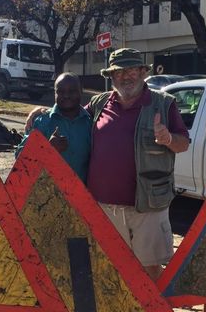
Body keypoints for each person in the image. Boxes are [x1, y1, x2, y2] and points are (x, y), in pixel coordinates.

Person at [87, 48, 189, 280]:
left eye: (132, 69)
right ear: (111, 77)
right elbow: (71, 119)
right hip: (105, 208)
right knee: (110, 271)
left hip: (148, 208)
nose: (126, 76)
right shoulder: (99, 103)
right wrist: (43, 112)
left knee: (150, 272)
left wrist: (169, 139)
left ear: (143, 72)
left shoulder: (164, 104)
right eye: (119, 71)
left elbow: (183, 143)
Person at [16, 73, 91, 183]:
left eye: (72, 91)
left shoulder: (90, 123)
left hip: (81, 197)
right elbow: (20, 159)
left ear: (81, 91)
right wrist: (48, 149)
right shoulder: (42, 121)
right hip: (47, 196)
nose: (66, 96)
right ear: (54, 93)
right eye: (61, 91)